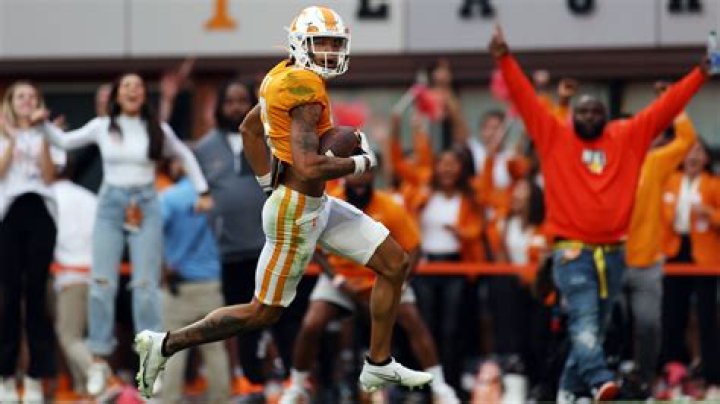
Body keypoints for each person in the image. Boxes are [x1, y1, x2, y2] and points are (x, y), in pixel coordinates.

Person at [133, 6, 432, 398]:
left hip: (312, 204)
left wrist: (265, 182)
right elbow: (308, 166)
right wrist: (360, 162)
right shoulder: (303, 88)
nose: (330, 51)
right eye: (321, 43)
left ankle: (378, 363)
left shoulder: (280, 74)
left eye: (335, 44)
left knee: (394, 263)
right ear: (299, 44)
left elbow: (249, 130)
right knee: (261, 313)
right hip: (296, 213)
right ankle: (164, 344)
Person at [489, 25, 709, 402]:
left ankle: (567, 392)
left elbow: (667, 108)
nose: (589, 115)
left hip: (615, 254)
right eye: (583, 110)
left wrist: (700, 73)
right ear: (573, 115)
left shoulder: (626, 137)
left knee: (594, 328)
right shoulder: (554, 136)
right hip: (572, 252)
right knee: (585, 321)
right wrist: (504, 58)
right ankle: (598, 379)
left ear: (605, 117)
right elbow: (525, 98)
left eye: (596, 111)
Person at [40, 72, 213, 395]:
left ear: (144, 95)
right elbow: (64, 142)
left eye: (138, 87)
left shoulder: (156, 128)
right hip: (111, 203)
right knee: (102, 283)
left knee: (146, 285)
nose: (132, 91)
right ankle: (97, 359)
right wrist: (43, 126)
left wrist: (202, 190)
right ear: (117, 95)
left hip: (145, 203)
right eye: (126, 87)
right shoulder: (102, 126)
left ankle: (150, 358)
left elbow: (184, 155)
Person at [280, 170, 459, 404]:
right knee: (312, 323)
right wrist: (337, 280)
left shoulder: (389, 205)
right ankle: (297, 386)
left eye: (367, 176)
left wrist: (401, 282)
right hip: (342, 276)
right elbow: (314, 246)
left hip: (382, 277)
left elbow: (414, 247)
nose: (360, 182)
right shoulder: (328, 203)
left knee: (412, 319)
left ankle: (440, 386)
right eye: (355, 176)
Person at [623, 81, 698, 398]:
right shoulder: (600, 164)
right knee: (606, 326)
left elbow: (687, 139)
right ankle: (607, 379)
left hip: (645, 262)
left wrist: (672, 104)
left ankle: (644, 380)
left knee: (649, 326)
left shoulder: (652, 162)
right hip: (607, 258)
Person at [0, 81, 65, 403]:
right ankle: (6, 377)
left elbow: (50, 175)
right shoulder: (1, 135)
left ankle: (37, 377)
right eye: (20, 96)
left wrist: (42, 133)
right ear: (10, 102)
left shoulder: (50, 135)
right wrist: (12, 139)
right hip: (9, 214)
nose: (26, 101)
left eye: (31, 97)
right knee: (9, 296)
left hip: (40, 212)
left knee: (36, 296)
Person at [159, 157, 230, 404]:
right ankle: (220, 399)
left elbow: (151, 233)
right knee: (214, 349)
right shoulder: (215, 198)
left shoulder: (169, 198)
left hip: (179, 286)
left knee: (172, 348)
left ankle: (170, 400)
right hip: (211, 283)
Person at [660, 139, 720, 399]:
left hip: (705, 256)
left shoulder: (714, 183)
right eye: (688, 152)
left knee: (707, 319)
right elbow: (660, 215)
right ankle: (674, 377)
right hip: (675, 251)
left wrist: (708, 212)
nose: (693, 157)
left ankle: (713, 378)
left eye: (698, 152)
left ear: (706, 158)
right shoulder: (670, 181)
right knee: (673, 316)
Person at [51, 159, 97, 397]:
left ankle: (102, 377)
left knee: (69, 336)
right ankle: (86, 391)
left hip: (70, 276)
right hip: (98, 277)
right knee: (88, 337)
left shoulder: (48, 198)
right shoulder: (90, 197)